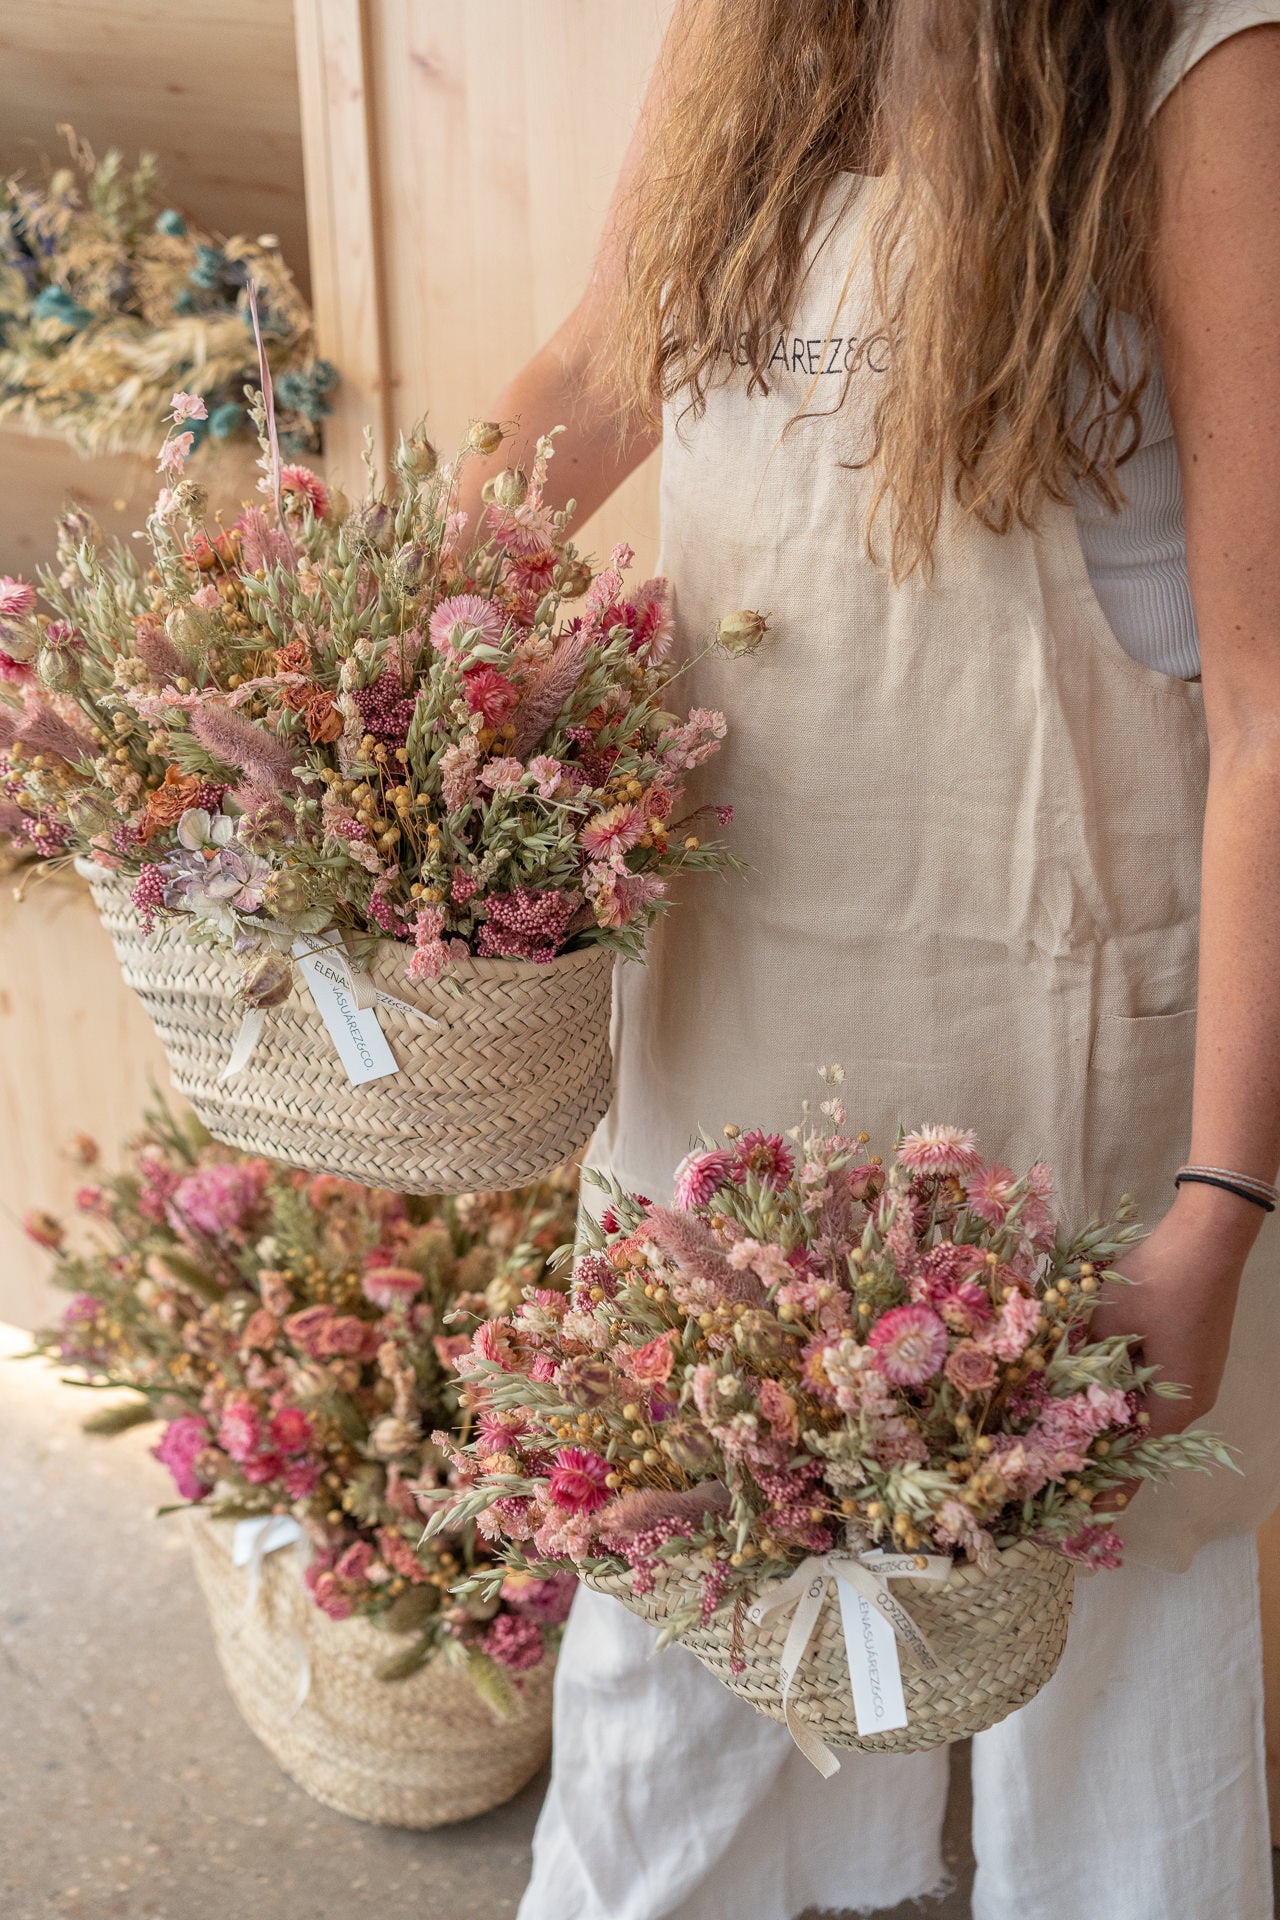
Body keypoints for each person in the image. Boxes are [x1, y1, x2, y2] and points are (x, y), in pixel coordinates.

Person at [458, 4, 1280, 1915]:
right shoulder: (756, 29)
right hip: (743, 1020)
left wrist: (1219, 1209)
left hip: (1074, 1041)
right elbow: (604, 359)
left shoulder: (1197, 63)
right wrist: (360, 652)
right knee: (681, 1653)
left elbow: (1267, 707)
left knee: (1107, 1689)